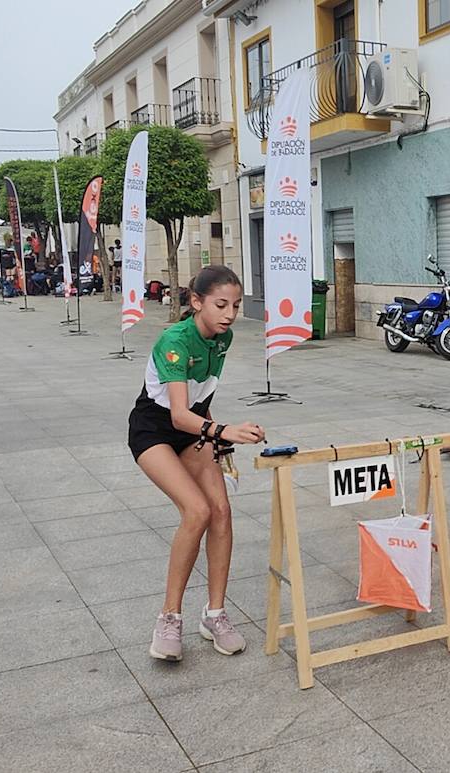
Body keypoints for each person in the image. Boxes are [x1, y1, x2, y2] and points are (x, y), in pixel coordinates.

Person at [129, 265, 264, 661]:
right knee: (197, 511)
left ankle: (215, 615)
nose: (229, 313)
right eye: (221, 304)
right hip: (155, 430)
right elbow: (177, 414)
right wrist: (224, 431)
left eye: (236, 306)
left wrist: (217, 441)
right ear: (196, 301)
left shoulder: (224, 339)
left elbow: (200, 399)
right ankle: (168, 619)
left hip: (197, 427)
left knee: (221, 511)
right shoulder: (175, 340)